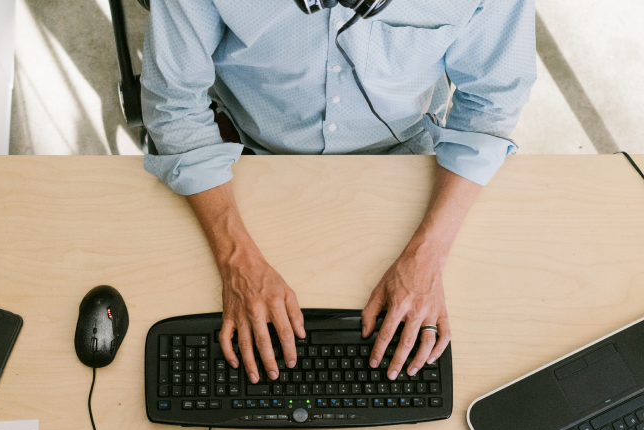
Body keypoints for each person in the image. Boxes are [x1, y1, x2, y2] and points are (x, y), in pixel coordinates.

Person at [141, 0, 536, 386]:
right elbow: (175, 105)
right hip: (248, 153)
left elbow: (490, 104)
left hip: (407, 156)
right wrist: (235, 261)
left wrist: (428, 257)